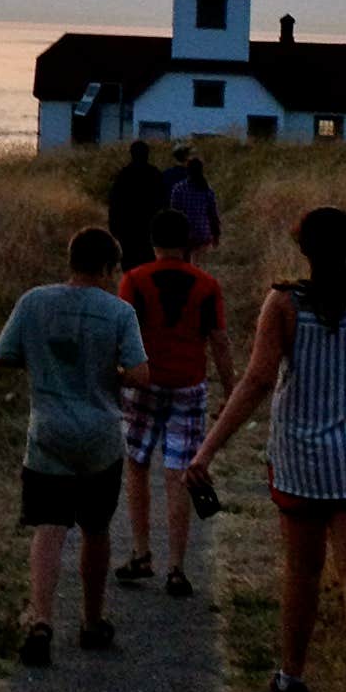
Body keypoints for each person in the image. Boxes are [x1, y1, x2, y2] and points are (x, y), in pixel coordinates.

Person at [191, 203, 346, 692]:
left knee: (303, 571)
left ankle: (291, 675)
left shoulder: (283, 304)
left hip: (303, 459)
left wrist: (207, 450)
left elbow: (257, 381)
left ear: (303, 248)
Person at [0, 227, 150, 666]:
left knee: (48, 527)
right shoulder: (118, 312)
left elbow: (2, 355)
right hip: (100, 436)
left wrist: (40, 363)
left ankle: (41, 619)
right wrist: (113, 374)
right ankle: (92, 620)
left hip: (48, 433)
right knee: (95, 529)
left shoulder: (34, 302)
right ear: (109, 268)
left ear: (71, 260)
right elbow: (140, 375)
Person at [114, 209, 234, 598]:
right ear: (187, 244)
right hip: (189, 385)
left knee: (137, 465)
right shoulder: (207, 285)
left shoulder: (134, 280)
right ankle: (177, 568)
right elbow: (219, 341)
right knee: (179, 473)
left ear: (152, 242)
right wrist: (230, 390)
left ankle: (141, 552)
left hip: (143, 383)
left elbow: (121, 334)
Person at [105, 140, 168, 277]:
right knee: (149, 266)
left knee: (129, 266)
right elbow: (164, 203)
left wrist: (113, 226)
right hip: (149, 228)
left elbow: (114, 203)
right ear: (147, 154)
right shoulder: (155, 174)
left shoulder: (124, 174)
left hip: (128, 229)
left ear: (131, 154)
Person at [166, 149, 223, 252]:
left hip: (184, 234)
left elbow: (174, 213)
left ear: (187, 171)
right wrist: (216, 234)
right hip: (203, 233)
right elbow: (212, 214)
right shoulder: (206, 189)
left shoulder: (178, 188)